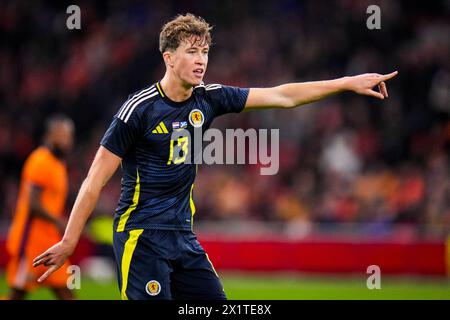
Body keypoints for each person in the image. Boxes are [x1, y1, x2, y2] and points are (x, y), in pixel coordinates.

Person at [33, 13, 398, 300]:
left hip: (183, 238)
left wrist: (347, 82)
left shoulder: (209, 98)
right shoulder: (138, 110)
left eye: (205, 51)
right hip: (140, 237)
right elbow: (94, 180)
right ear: (169, 57)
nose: (201, 60)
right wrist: (69, 240)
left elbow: (283, 96)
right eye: (192, 51)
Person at [7, 114, 75, 300]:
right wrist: (60, 221)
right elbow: (33, 204)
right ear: (50, 135)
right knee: (17, 293)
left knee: (66, 291)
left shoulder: (57, 164)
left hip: (50, 240)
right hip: (30, 241)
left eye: (70, 136)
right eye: (63, 135)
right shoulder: (40, 161)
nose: (68, 141)